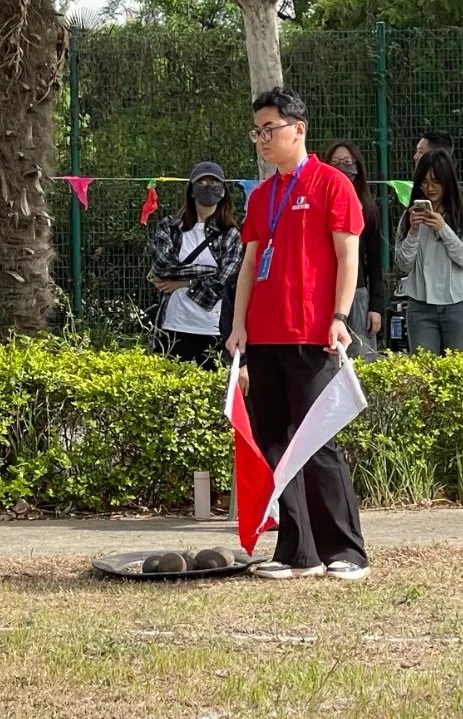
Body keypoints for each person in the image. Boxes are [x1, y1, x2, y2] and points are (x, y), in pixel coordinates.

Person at [227, 87, 369, 581]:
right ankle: (297, 551)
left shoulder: (332, 184)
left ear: (298, 129)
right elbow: (249, 265)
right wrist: (239, 327)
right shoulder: (261, 195)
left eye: (270, 129)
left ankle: (347, 550)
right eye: (257, 132)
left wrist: (340, 316)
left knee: (316, 442)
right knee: (274, 444)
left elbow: (348, 256)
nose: (263, 139)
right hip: (263, 336)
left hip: (311, 333)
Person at [149, 161, 242, 367]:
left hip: (214, 327)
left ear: (223, 191)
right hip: (174, 325)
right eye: (201, 182)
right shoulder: (170, 227)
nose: (208, 187)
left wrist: (184, 283)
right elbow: (163, 266)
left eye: (214, 182)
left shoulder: (231, 234)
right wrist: (209, 271)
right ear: (191, 190)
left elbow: (225, 280)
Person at [395, 149, 463, 354]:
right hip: (420, 305)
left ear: (447, 181)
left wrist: (443, 229)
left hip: (457, 304)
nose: (430, 188)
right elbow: (403, 263)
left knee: (459, 368)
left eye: (436, 182)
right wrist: (413, 232)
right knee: (424, 368)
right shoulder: (410, 216)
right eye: (424, 182)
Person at [411, 130, 463, 317]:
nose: (416, 157)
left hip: (460, 298)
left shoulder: (460, 205)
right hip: (425, 300)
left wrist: (443, 229)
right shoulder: (417, 204)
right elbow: (404, 260)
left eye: (421, 152)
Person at [323, 142, 384, 358]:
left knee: (362, 359)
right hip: (324, 293)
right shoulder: (319, 205)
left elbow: (374, 263)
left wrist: (376, 306)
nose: (342, 168)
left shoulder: (367, 208)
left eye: (347, 163)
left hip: (357, 294)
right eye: (335, 163)